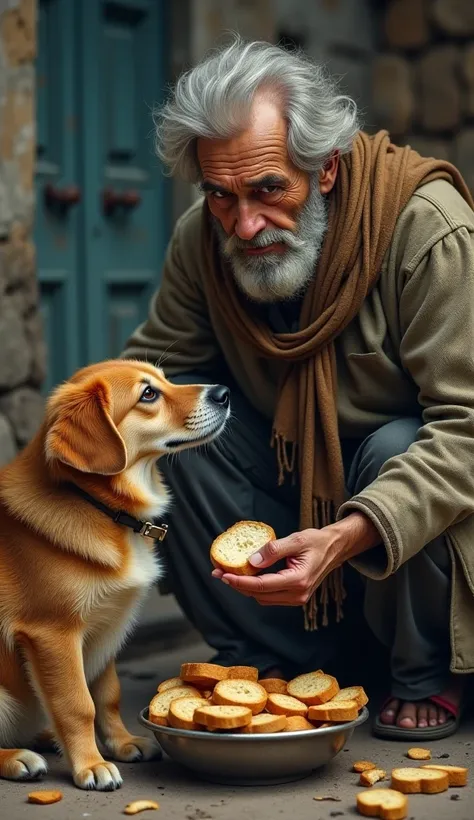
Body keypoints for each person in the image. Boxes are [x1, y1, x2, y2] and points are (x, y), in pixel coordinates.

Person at [122, 37, 474, 740]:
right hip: (288, 496)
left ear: (328, 169)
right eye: (220, 195)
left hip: (402, 529)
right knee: (162, 427)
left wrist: (347, 534)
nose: (245, 225)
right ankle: (273, 660)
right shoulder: (205, 242)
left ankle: (422, 672)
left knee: (396, 446)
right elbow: (139, 383)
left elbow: (467, 428)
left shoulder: (425, 230)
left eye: (268, 190)